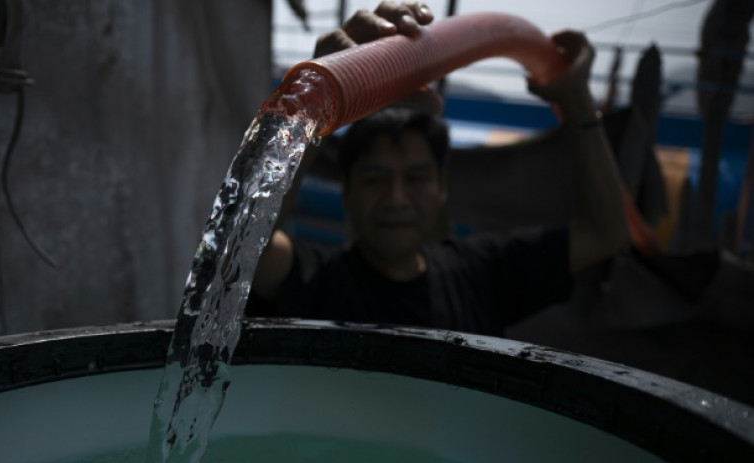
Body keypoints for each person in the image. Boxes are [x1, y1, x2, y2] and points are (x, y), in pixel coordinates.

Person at [247, 2, 628, 336]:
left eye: (415, 178)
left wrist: (576, 97)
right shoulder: (316, 278)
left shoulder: (482, 274)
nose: (395, 199)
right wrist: (312, 98)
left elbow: (605, 233)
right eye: (374, 178)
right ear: (346, 190)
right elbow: (245, 250)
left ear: (441, 187)